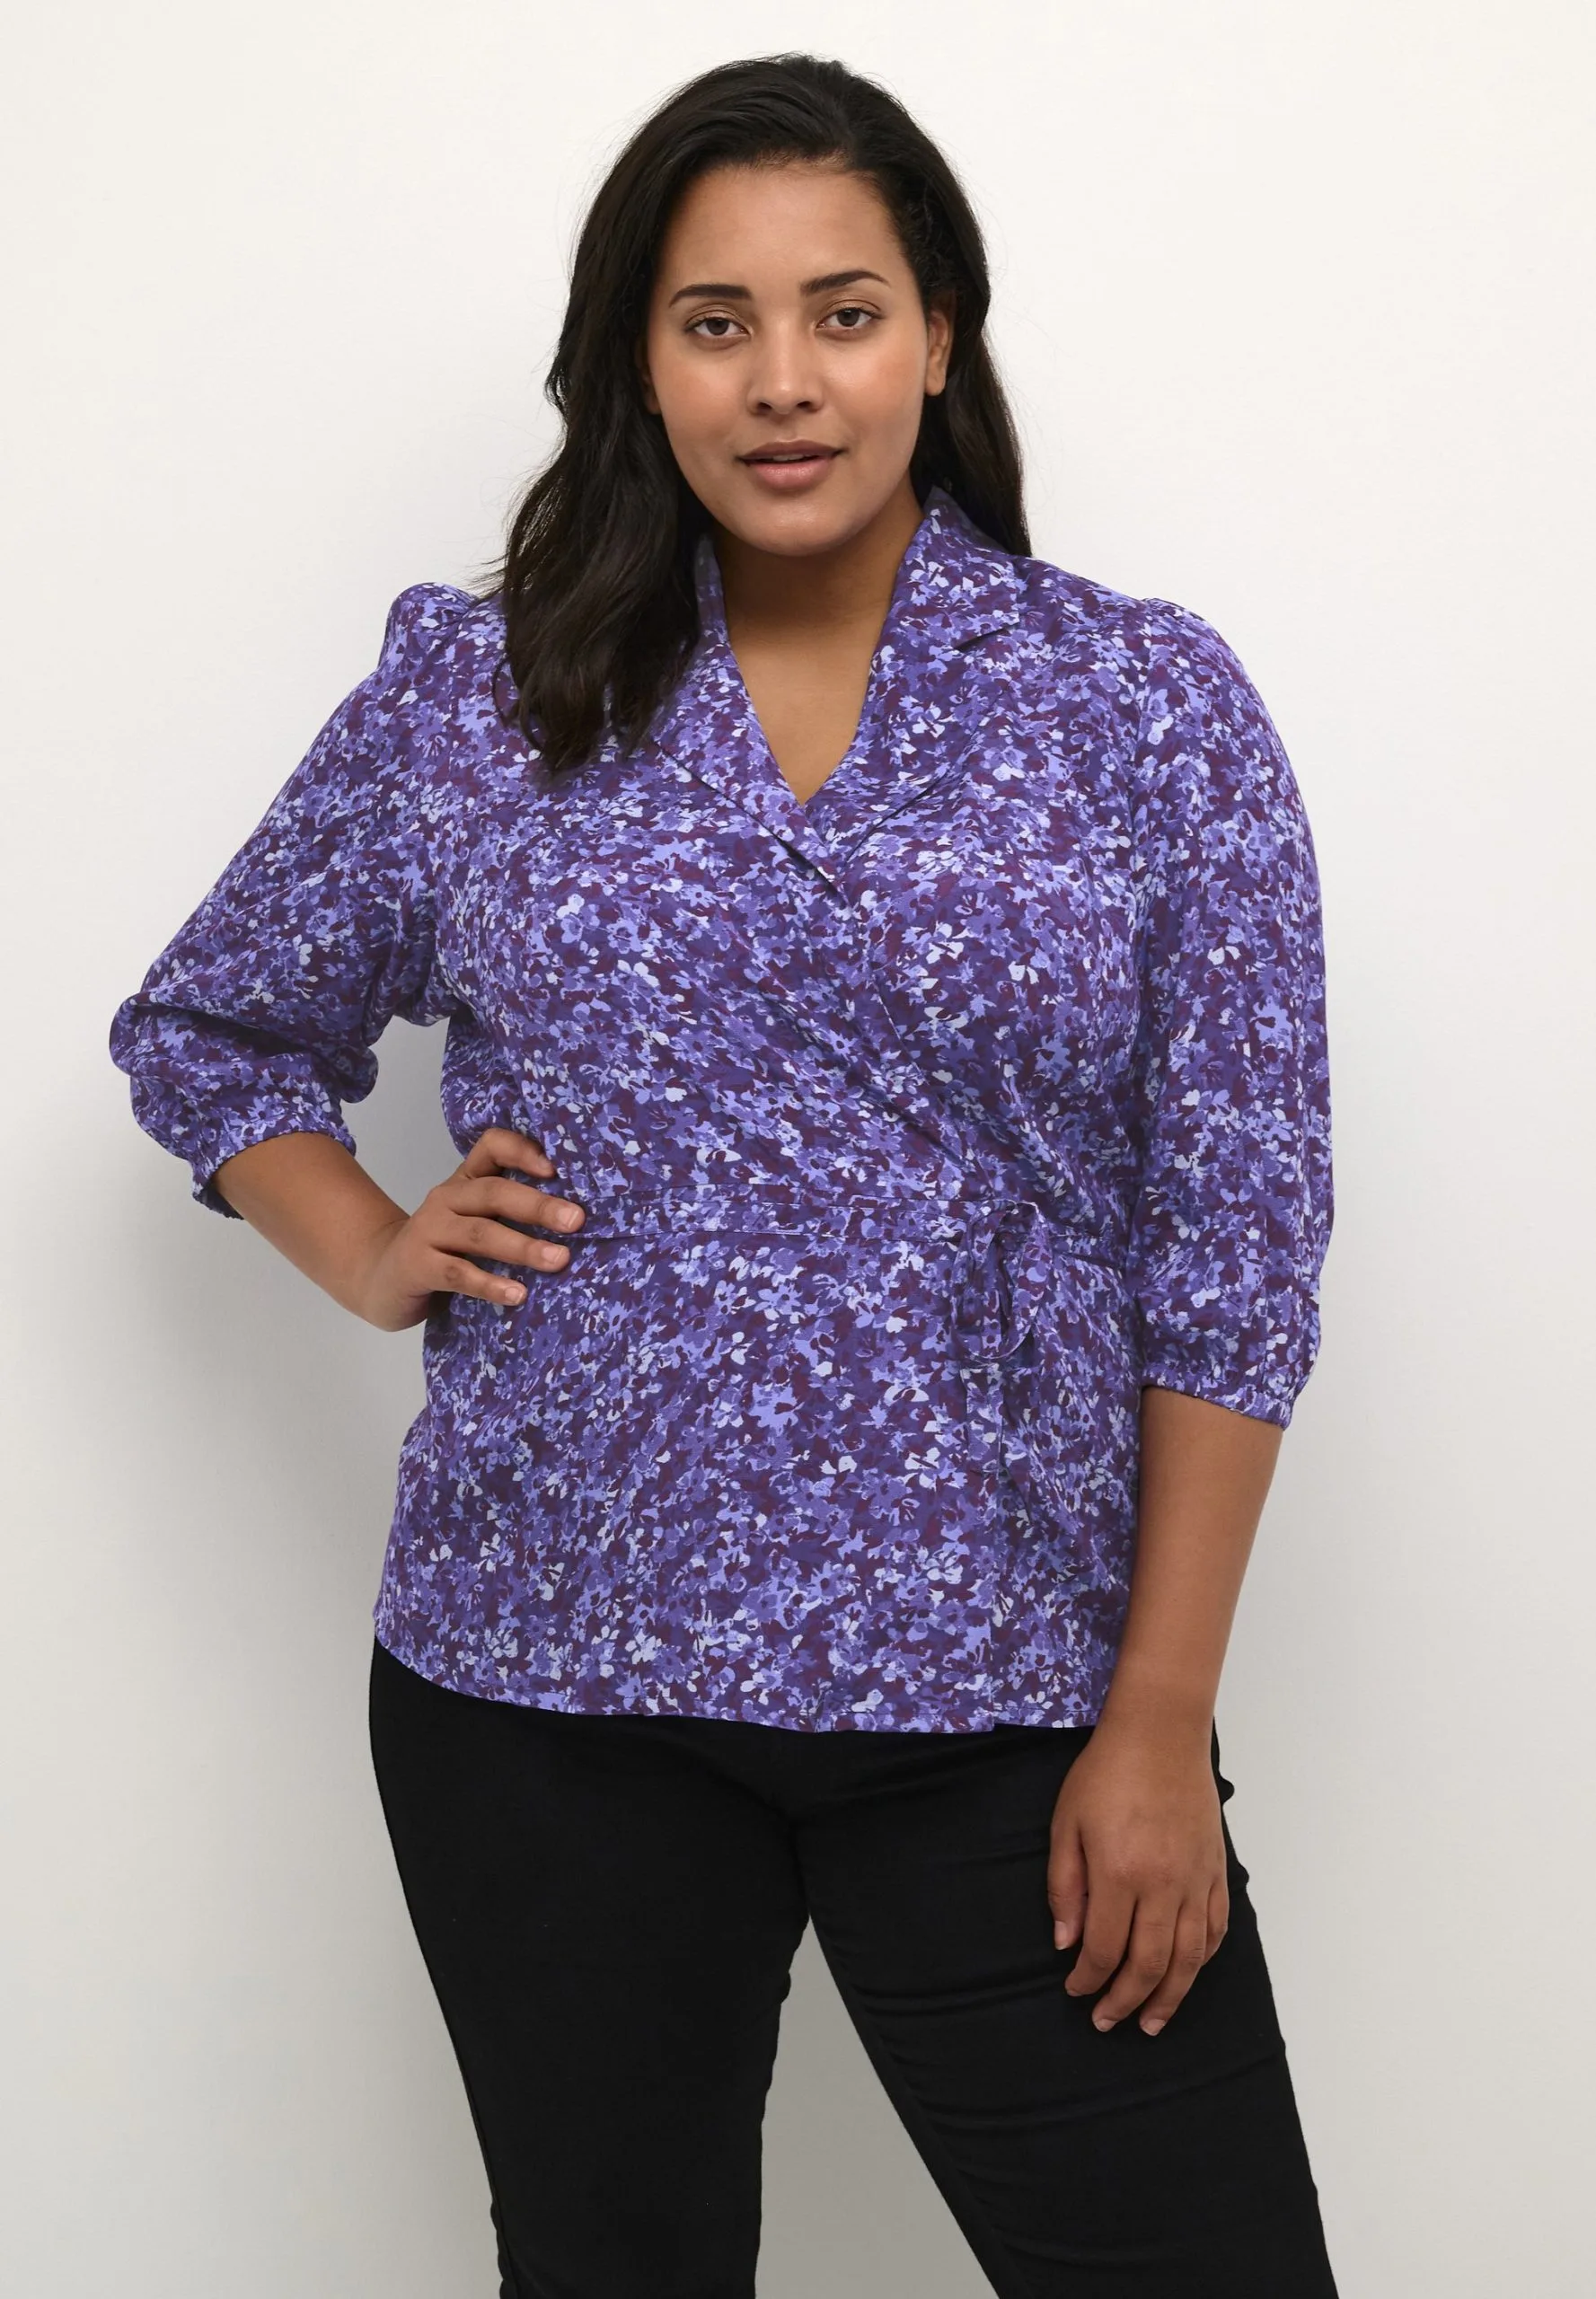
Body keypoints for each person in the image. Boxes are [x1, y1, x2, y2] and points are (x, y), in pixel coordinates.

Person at [110, 49, 1339, 2299]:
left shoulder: (1143, 710)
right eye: (716, 322)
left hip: (1008, 1692)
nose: (785, 380)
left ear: (939, 334)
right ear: (639, 361)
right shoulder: (482, 691)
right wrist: (368, 1243)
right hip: (545, 1682)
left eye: (844, 312)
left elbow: (1237, 1240)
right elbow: (212, 1025)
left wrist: (1161, 1714)